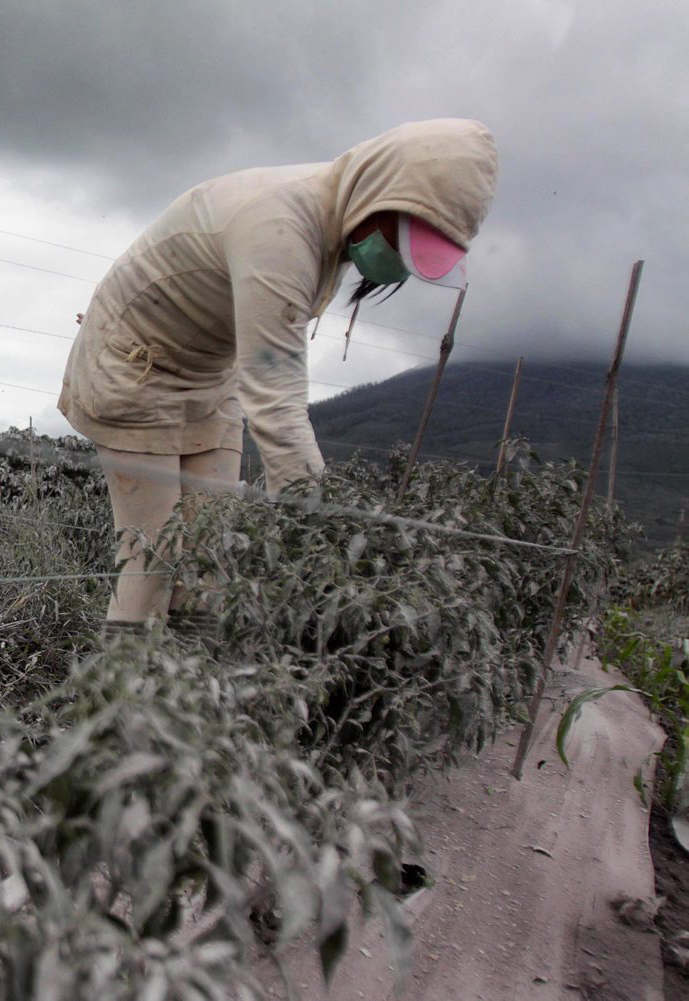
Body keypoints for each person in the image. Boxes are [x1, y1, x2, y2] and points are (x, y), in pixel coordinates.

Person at [57, 118, 499, 637]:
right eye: (402, 242)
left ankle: (186, 693)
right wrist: (322, 535)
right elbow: (278, 405)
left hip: (209, 374)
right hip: (134, 367)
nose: (400, 264)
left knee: (210, 556)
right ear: (380, 194)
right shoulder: (281, 230)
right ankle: (117, 701)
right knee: (151, 556)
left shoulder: (336, 220)